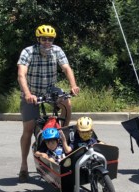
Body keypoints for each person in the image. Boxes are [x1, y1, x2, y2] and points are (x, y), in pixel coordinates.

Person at [17, 24, 80, 182]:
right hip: (31, 93)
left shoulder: (57, 50)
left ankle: (62, 134)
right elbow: (21, 75)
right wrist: (27, 94)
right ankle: (24, 165)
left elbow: (66, 68)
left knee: (67, 103)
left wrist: (73, 85)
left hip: (51, 90)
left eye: (50, 39)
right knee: (29, 129)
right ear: (38, 39)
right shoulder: (28, 52)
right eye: (44, 39)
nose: (47, 42)